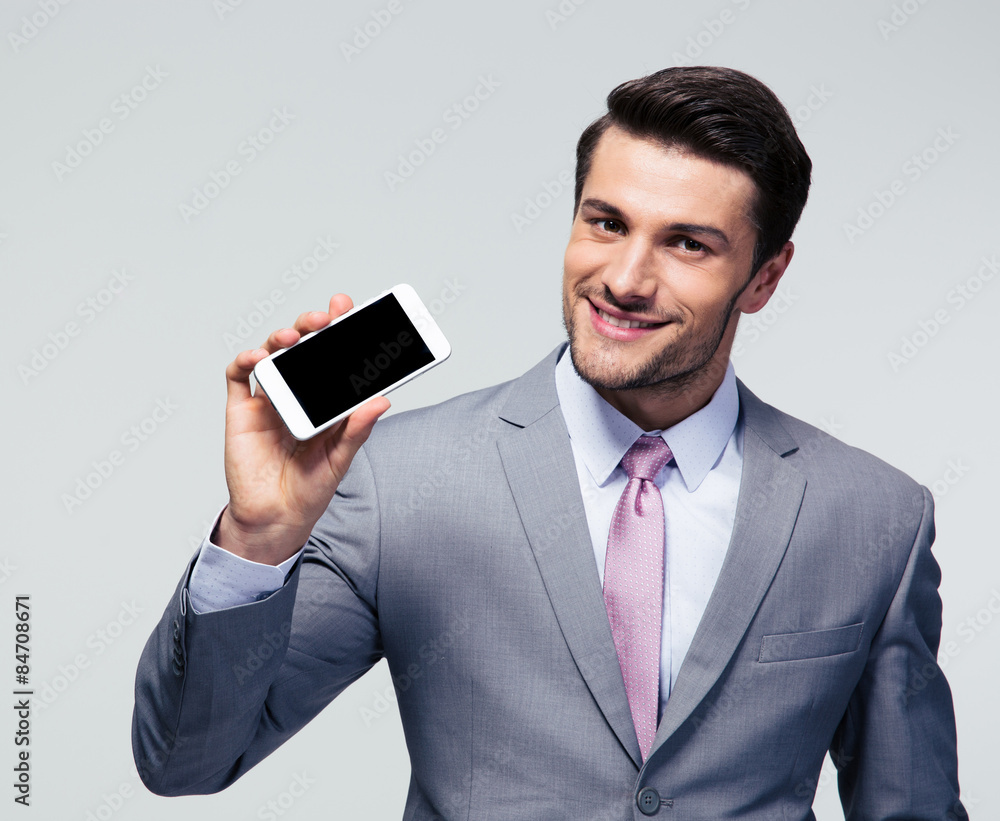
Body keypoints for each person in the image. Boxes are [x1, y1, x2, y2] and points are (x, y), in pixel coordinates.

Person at [132, 66, 967, 819]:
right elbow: (186, 760)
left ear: (766, 276)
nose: (625, 279)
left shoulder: (874, 518)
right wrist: (257, 540)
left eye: (687, 243)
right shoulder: (397, 479)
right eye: (605, 222)